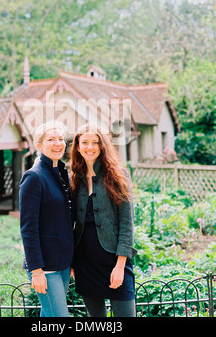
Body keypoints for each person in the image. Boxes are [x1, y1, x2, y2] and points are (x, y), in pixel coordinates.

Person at [70, 123, 137, 317]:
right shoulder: (75, 178)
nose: (90, 147)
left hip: (114, 262)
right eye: (85, 143)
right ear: (78, 146)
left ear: (102, 146)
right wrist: (72, 261)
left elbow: (127, 223)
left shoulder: (119, 174)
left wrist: (120, 266)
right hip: (85, 263)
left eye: (95, 142)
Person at [19, 121, 74, 317]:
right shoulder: (33, 177)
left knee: (49, 315)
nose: (58, 143)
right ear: (40, 146)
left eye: (61, 139)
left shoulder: (61, 174)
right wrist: (36, 271)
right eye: (51, 139)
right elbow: (28, 228)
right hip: (45, 267)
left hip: (64, 264)